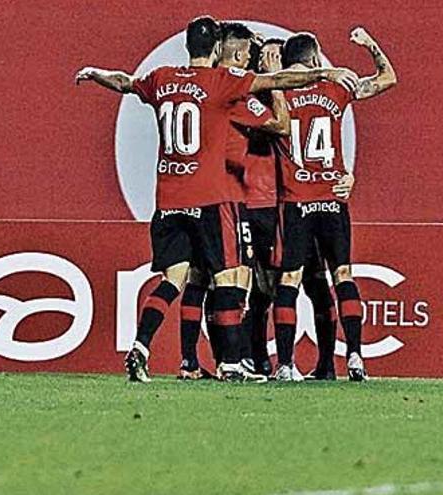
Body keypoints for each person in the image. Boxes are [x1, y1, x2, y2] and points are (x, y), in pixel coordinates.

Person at [75, 15, 358, 382]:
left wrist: (96, 73)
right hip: (214, 198)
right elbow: (279, 92)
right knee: (230, 279)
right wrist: (323, 74)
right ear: (223, 50)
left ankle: (145, 347)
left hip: (169, 201)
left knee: (178, 278)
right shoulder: (224, 85)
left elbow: (125, 82)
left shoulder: (162, 78)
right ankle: (230, 363)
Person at [272, 28, 397, 382]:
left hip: (296, 201)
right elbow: (387, 78)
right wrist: (370, 44)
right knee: (343, 275)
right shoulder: (337, 88)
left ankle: (284, 364)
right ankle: (355, 358)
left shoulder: (276, 92)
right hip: (332, 198)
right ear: (314, 58)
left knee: (290, 278)